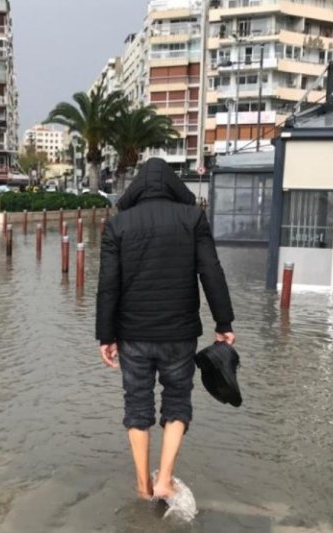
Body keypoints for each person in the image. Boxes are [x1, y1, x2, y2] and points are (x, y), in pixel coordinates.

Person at [96, 157, 235, 501]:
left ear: (137, 189)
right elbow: (211, 271)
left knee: (137, 406)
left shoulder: (119, 225)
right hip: (179, 335)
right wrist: (224, 323)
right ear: (174, 186)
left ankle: (143, 486)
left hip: (133, 335)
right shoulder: (193, 219)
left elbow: (108, 286)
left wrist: (106, 336)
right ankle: (165, 480)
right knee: (177, 401)